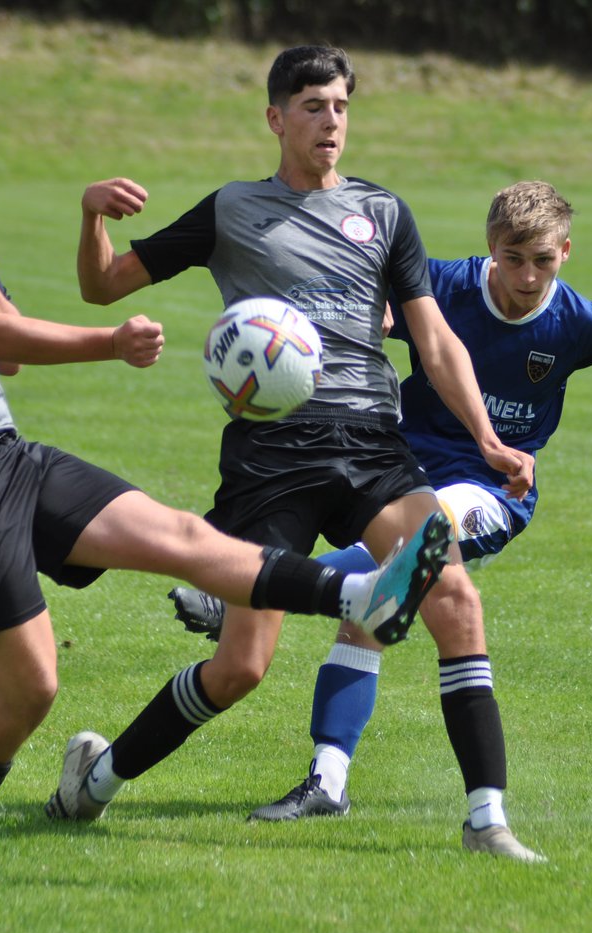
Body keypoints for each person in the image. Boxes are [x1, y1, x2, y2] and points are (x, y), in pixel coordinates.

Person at [0, 79, 451, 879]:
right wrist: (109, 341)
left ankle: (360, 597)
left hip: (7, 454)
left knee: (186, 535)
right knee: (31, 688)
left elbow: (0, 356)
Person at [54, 45, 545, 861]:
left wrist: (487, 439)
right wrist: (91, 217)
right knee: (242, 666)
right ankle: (95, 780)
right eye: (314, 106)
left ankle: (486, 819)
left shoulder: (384, 213)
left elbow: (432, 336)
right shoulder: (232, 210)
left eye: (342, 107)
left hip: (369, 445)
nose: (331, 122)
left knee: (452, 596)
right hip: (270, 456)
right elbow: (103, 287)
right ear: (277, 117)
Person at [171, 179, 592, 826]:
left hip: (493, 491)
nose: (526, 276)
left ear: (566, 252)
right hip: (399, 468)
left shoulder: (580, 322)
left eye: (542, 260)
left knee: (407, 554)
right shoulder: (441, 285)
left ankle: (234, 588)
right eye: (512, 258)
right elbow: (366, 301)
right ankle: (327, 781)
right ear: (489, 247)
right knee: (372, 615)